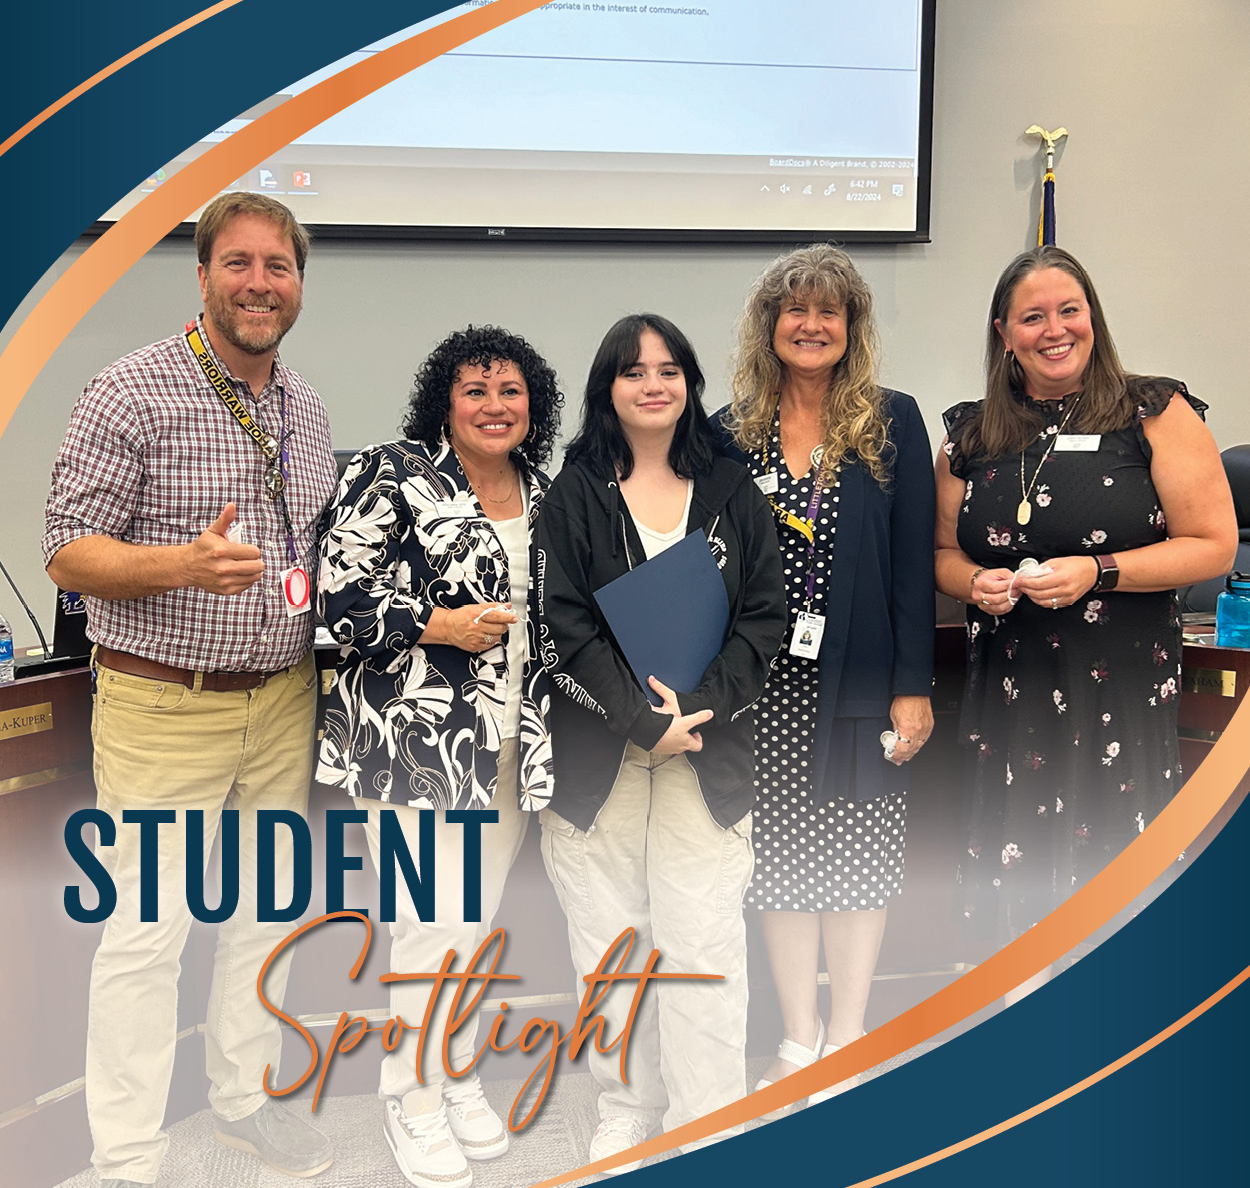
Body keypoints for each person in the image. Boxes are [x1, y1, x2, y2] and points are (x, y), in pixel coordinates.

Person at [42, 193, 337, 1185]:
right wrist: (181, 566)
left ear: (298, 283)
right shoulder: (131, 390)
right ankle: (125, 1150)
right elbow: (65, 552)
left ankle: (244, 1100)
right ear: (202, 273)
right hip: (165, 702)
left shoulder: (307, 408)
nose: (261, 282)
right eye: (241, 263)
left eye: (279, 267)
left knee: (265, 911)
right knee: (149, 929)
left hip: (281, 696)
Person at [935, 245, 1236, 998]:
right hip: (1009, 691)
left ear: (1093, 317)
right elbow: (940, 553)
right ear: (1004, 333)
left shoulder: (1153, 413)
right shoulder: (971, 435)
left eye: (1070, 310)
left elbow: (1213, 543)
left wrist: (1097, 571)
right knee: (1015, 864)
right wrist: (976, 582)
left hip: (1118, 689)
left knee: (1110, 858)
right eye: (1032, 317)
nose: (1054, 329)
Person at [535, 313, 787, 1170]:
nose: (654, 383)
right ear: (608, 388)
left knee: (703, 934)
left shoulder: (731, 489)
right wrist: (643, 721)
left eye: (670, 368)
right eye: (634, 370)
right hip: (600, 752)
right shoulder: (575, 493)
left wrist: (699, 713)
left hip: (706, 752)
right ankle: (626, 1103)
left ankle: (708, 1114)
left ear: (689, 385)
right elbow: (561, 627)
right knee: (609, 941)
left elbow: (764, 619)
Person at [316, 325, 561, 1188]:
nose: (495, 407)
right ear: (443, 403)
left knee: (473, 922)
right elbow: (337, 600)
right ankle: (408, 1093)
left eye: (511, 392)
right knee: (429, 926)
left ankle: (453, 1072)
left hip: (510, 745)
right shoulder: (389, 472)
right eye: (475, 391)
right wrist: (437, 624)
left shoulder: (546, 487)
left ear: (534, 405)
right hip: (411, 745)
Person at [715, 244, 935, 1104]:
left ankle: (849, 1033)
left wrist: (912, 682)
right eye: (795, 309)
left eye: (828, 311)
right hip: (763, 691)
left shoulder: (893, 421)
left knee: (857, 859)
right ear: (770, 326)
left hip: (862, 681)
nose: (811, 325)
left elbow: (914, 563)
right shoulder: (733, 430)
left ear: (852, 328)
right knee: (778, 865)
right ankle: (796, 1037)